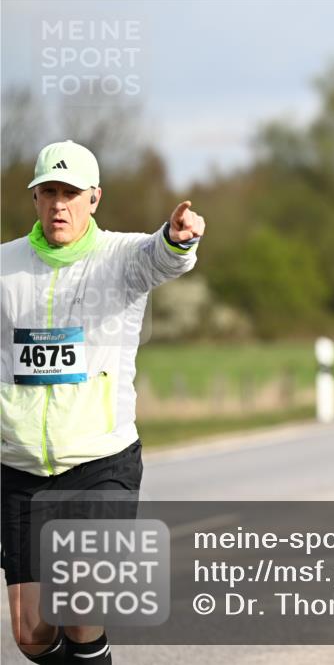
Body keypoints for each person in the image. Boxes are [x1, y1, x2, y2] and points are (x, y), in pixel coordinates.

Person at [2, 140, 204, 663]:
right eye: (48, 192)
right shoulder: (5, 267)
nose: (58, 205)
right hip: (19, 467)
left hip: (99, 460)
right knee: (32, 635)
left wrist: (177, 241)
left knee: (81, 605)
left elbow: (159, 257)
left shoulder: (119, 258)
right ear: (35, 199)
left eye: (70, 193)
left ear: (94, 198)